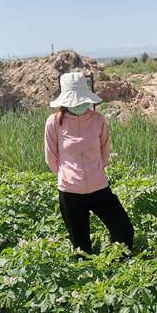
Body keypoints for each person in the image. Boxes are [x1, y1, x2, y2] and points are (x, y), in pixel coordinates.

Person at [44, 72, 134, 254]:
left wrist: (94, 173)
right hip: (70, 193)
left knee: (124, 231)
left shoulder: (98, 120)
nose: (80, 104)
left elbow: (104, 153)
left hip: (99, 188)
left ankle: (116, 271)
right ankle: (89, 279)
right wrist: (68, 177)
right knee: (81, 248)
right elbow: (51, 158)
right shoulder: (53, 122)